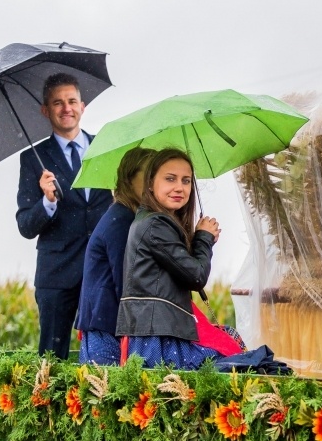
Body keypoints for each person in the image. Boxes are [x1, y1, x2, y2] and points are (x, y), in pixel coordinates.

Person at [116, 148, 284, 373]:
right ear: (150, 184)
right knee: (240, 369)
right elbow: (196, 276)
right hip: (159, 335)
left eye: (186, 181)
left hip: (156, 330)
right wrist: (203, 239)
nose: (179, 187)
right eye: (170, 179)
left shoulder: (152, 221)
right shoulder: (156, 225)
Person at [16, 73, 113, 359]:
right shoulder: (33, 159)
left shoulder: (105, 148)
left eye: (72, 101)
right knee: (51, 357)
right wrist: (46, 201)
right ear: (45, 110)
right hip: (56, 273)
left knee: (104, 354)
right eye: (57, 103)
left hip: (101, 270)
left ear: (83, 106)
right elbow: (25, 225)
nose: (66, 108)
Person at [75, 147, 156, 365]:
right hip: (105, 330)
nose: (153, 183)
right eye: (147, 176)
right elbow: (127, 282)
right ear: (129, 180)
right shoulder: (121, 220)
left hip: (108, 325)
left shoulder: (128, 216)